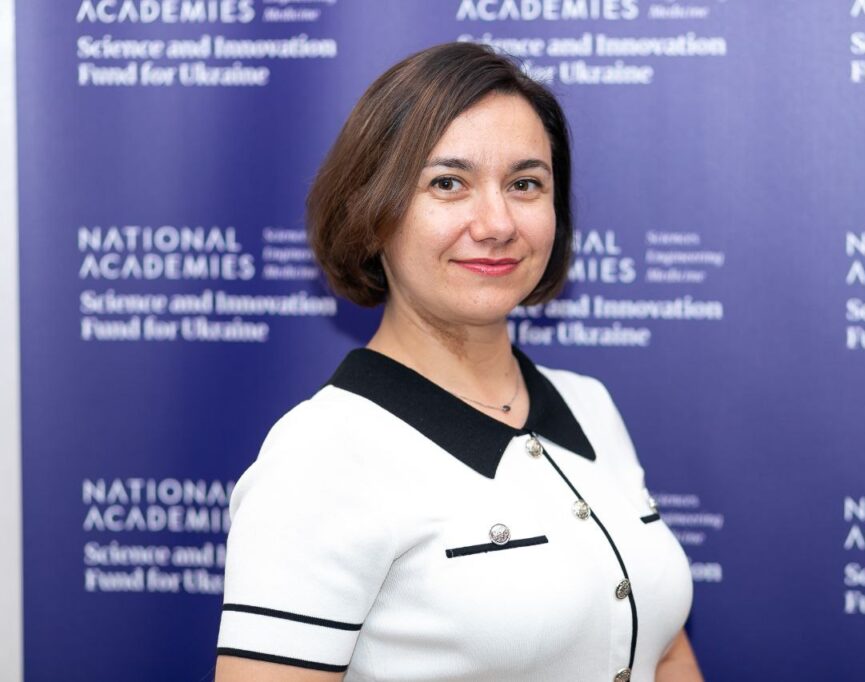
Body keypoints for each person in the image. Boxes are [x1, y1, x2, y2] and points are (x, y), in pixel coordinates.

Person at [215, 41, 700, 682]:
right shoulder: (322, 456)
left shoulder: (588, 404)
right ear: (372, 210)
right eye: (448, 183)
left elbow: (663, 651)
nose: (497, 223)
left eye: (525, 184)